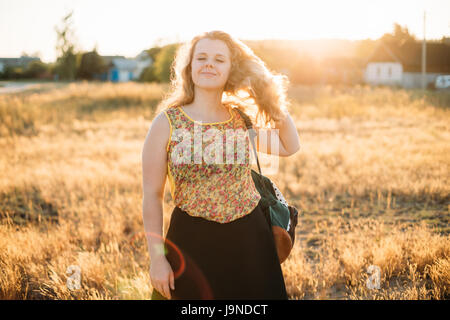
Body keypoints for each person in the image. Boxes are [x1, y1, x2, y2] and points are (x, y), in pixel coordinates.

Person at [141, 30, 300, 300]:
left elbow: (289, 145)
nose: (209, 64)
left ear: (230, 70)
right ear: (189, 67)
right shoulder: (167, 123)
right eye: (201, 57)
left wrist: (266, 90)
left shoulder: (240, 120)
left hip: (249, 238)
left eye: (219, 59)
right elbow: (151, 197)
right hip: (191, 240)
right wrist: (157, 259)